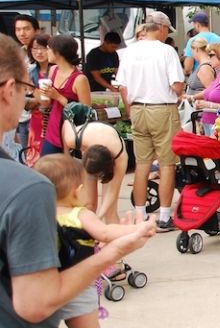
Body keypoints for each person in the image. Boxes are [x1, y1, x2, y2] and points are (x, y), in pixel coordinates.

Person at [0, 34, 155, 327]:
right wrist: (114, 251)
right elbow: (35, 302)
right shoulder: (27, 190)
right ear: (9, 90)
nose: (28, 96)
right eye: (26, 88)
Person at [34, 154, 149, 328]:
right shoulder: (79, 214)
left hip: (44, 286)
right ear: (77, 190)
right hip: (78, 284)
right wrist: (137, 229)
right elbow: (105, 232)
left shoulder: (37, 214)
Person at [115, 10, 185, 232]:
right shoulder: (166, 51)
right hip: (162, 108)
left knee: (142, 163)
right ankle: (164, 216)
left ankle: (140, 213)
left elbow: (122, 87)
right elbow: (177, 85)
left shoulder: (129, 51)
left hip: (137, 109)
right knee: (167, 164)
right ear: (162, 28)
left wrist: (131, 108)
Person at [61, 121, 128, 225]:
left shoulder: (120, 159)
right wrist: (67, 157)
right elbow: (66, 123)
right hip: (89, 137)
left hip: (111, 146)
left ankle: (113, 235)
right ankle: (88, 233)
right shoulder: (72, 139)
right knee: (89, 204)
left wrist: (99, 218)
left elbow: (112, 193)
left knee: (110, 212)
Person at [39, 34, 91, 156]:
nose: (47, 52)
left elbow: (86, 110)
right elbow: (48, 103)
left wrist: (58, 97)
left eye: (48, 48)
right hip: (52, 130)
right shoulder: (53, 70)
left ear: (57, 52)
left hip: (71, 134)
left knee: (68, 172)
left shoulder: (79, 79)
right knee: (46, 168)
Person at [27, 33, 52, 160]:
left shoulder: (56, 71)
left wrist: (32, 90)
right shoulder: (31, 72)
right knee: (34, 157)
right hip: (36, 120)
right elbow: (25, 101)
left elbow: (47, 101)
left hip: (53, 121)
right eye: (35, 48)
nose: (39, 52)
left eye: (43, 48)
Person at [182, 11, 220, 76]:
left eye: (193, 24)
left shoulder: (193, 41)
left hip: (200, 79)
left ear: (197, 25)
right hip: (218, 79)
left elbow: (188, 68)